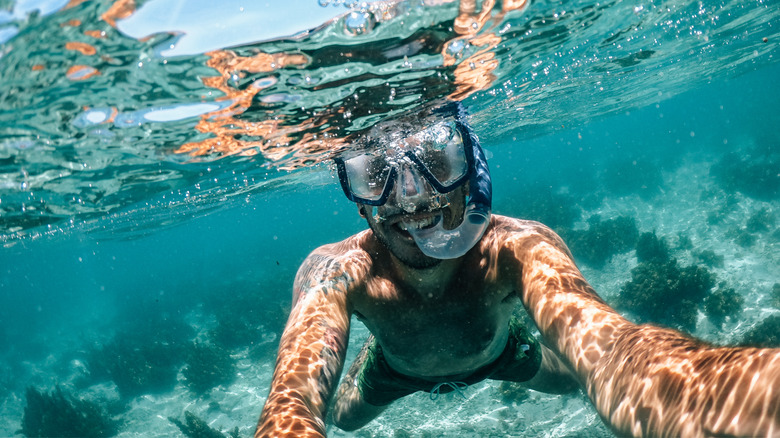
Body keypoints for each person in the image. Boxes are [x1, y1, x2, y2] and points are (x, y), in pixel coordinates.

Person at [255, 103, 780, 438]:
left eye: (436, 164)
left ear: (471, 172)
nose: (411, 199)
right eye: (375, 177)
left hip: (504, 351)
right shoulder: (338, 270)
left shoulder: (519, 246)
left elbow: (618, 354)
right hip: (392, 369)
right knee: (341, 418)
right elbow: (293, 398)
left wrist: (754, 399)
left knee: (580, 378)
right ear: (358, 200)